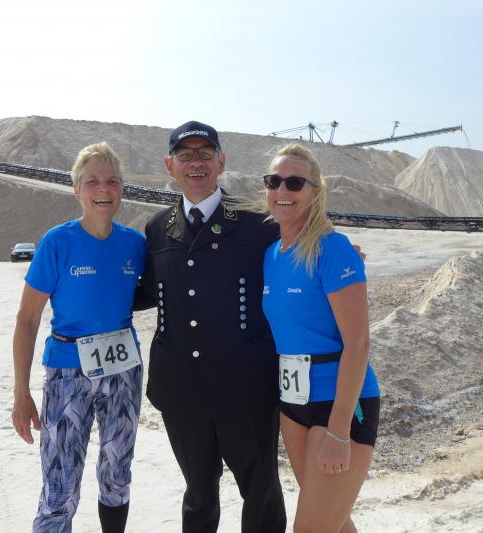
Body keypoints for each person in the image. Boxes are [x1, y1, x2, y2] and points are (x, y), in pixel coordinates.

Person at [133, 121, 286, 533]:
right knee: (198, 496)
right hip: (182, 389)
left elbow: (297, 259)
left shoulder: (258, 223)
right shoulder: (157, 228)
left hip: (246, 388)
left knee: (261, 493)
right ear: (170, 165)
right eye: (185, 155)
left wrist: (332, 250)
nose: (196, 163)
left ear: (222, 161)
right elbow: (143, 291)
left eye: (205, 153)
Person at [12, 142, 147, 533]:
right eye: (92, 182)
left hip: (123, 372)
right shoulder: (57, 242)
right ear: (76, 189)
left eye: (112, 181)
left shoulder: (135, 244)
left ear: (121, 188)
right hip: (67, 373)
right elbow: (27, 319)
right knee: (60, 483)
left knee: (117, 473)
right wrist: (21, 393)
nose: (103, 189)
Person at [260, 144, 380, 533]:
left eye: (295, 183)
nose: (282, 190)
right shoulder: (271, 254)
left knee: (310, 529)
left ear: (315, 191)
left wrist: (339, 430)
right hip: (293, 403)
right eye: (273, 181)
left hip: (339, 403)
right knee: (335, 523)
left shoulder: (332, 248)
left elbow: (358, 343)